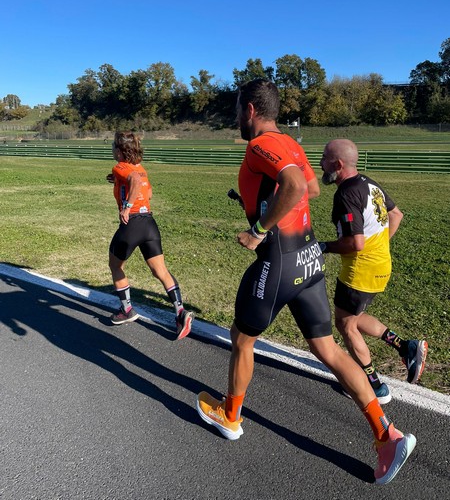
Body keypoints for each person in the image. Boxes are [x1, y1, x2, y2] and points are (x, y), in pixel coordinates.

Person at [196, 79, 416, 485]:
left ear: (249, 110)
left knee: (243, 339)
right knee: (328, 349)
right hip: (310, 259)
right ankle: (387, 435)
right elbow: (310, 186)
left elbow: (297, 186)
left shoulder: (260, 144)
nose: (235, 117)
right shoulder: (292, 145)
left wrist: (260, 227)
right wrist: (269, 197)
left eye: (236, 109)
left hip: (278, 260)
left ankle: (230, 416)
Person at [319, 139, 427, 403]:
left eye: (324, 157)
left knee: (345, 325)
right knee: (354, 317)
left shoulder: (345, 194)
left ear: (338, 164)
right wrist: (379, 247)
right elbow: (396, 215)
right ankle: (406, 346)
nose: (320, 162)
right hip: (381, 266)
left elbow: (354, 243)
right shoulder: (369, 182)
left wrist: (323, 246)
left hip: (360, 272)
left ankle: (374, 386)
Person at [107, 131, 194, 340]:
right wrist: (120, 184)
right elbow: (148, 192)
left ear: (119, 151)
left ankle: (127, 310)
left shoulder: (120, 166)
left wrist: (126, 207)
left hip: (133, 224)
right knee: (160, 271)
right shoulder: (141, 168)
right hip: (149, 224)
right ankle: (180, 312)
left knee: (115, 265)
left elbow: (134, 182)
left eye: (113, 146)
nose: (111, 149)